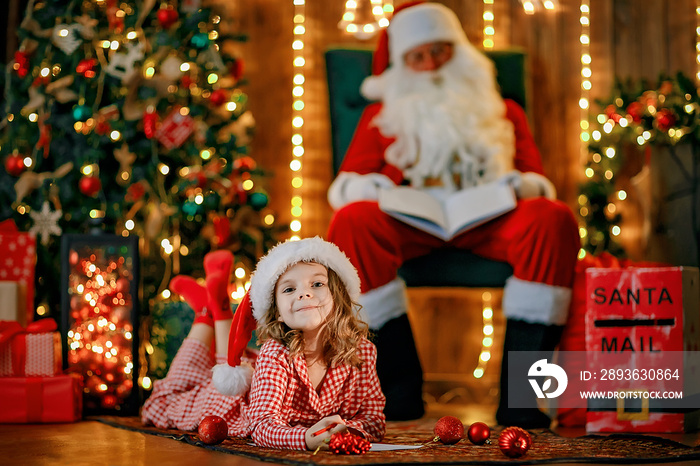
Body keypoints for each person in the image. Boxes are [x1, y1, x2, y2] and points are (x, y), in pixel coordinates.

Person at [326, 1, 580, 427]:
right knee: (351, 221)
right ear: (404, 65)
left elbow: (536, 179)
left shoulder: (504, 111)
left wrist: (518, 185)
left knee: (552, 219)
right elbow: (348, 183)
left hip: (491, 220)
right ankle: (399, 391)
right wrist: (377, 189)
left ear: (458, 51)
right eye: (418, 57)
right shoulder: (380, 116)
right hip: (410, 221)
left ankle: (521, 397)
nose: (432, 65)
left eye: (440, 51)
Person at [141, 237, 386, 450]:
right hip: (227, 404)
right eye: (289, 289)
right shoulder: (275, 352)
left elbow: (374, 421)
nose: (304, 293)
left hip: (254, 377)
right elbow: (262, 425)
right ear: (277, 311)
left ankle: (212, 311)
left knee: (220, 364)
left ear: (338, 295)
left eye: (318, 284)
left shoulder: (363, 352)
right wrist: (307, 437)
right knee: (163, 399)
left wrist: (344, 429)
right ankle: (207, 313)